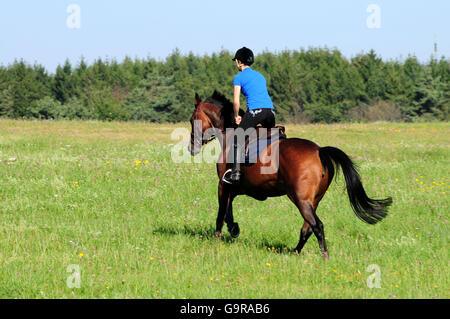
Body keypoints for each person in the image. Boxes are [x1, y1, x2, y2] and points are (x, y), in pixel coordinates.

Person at [222, 47, 276, 185]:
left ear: (239, 62)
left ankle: (235, 173)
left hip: (256, 112)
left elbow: (236, 101)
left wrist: (236, 116)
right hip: (271, 112)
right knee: (267, 136)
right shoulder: (260, 76)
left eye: (236, 61)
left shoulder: (238, 77)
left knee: (238, 136)